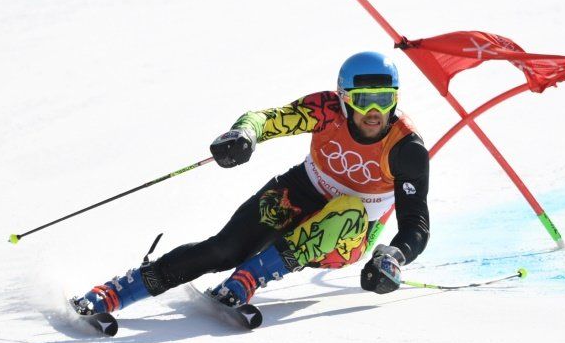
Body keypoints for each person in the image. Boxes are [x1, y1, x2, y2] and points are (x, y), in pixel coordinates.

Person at [72, 51, 430, 316]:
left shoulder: (405, 148)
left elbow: (416, 225)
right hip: (301, 193)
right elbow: (266, 119)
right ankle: (118, 291)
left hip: (349, 234)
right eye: (363, 100)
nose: (374, 113)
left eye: (384, 100)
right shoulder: (325, 110)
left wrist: (393, 257)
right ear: (343, 98)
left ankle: (250, 277)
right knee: (224, 249)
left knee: (347, 210)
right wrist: (244, 134)